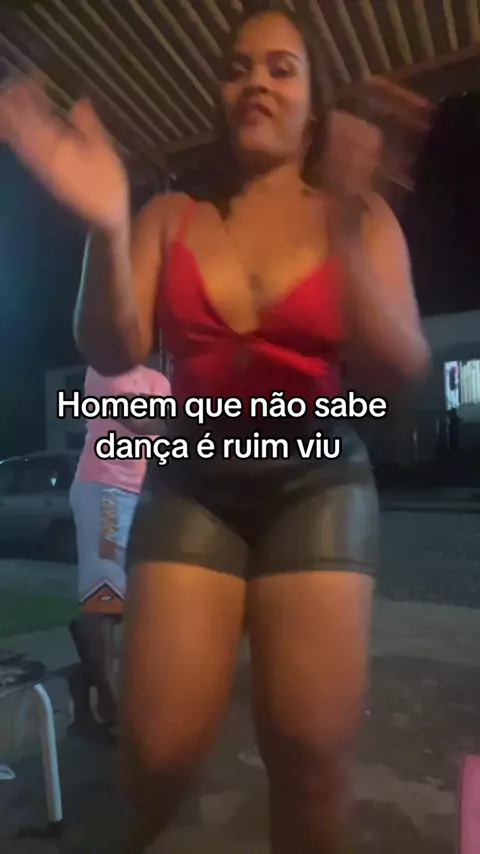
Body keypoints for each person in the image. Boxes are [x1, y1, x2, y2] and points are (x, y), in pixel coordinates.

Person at [0, 5, 430, 852]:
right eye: (237, 68)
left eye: (280, 68)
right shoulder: (171, 216)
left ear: (312, 105)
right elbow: (111, 347)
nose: (255, 83)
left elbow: (401, 368)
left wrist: (348, 234)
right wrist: (108, 224)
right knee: (156, 754)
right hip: (192, 483)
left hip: (316, 482)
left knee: (310, 757)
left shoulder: (360, 215)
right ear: (219, 95)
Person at [68, 363, 170, 739]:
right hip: (105, 491)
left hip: (137, 494)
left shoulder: (158, 380)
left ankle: (90, 683)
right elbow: (141, 423)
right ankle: (110, 705)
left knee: (134, 598)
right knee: (105, 600)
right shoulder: (106, 365)